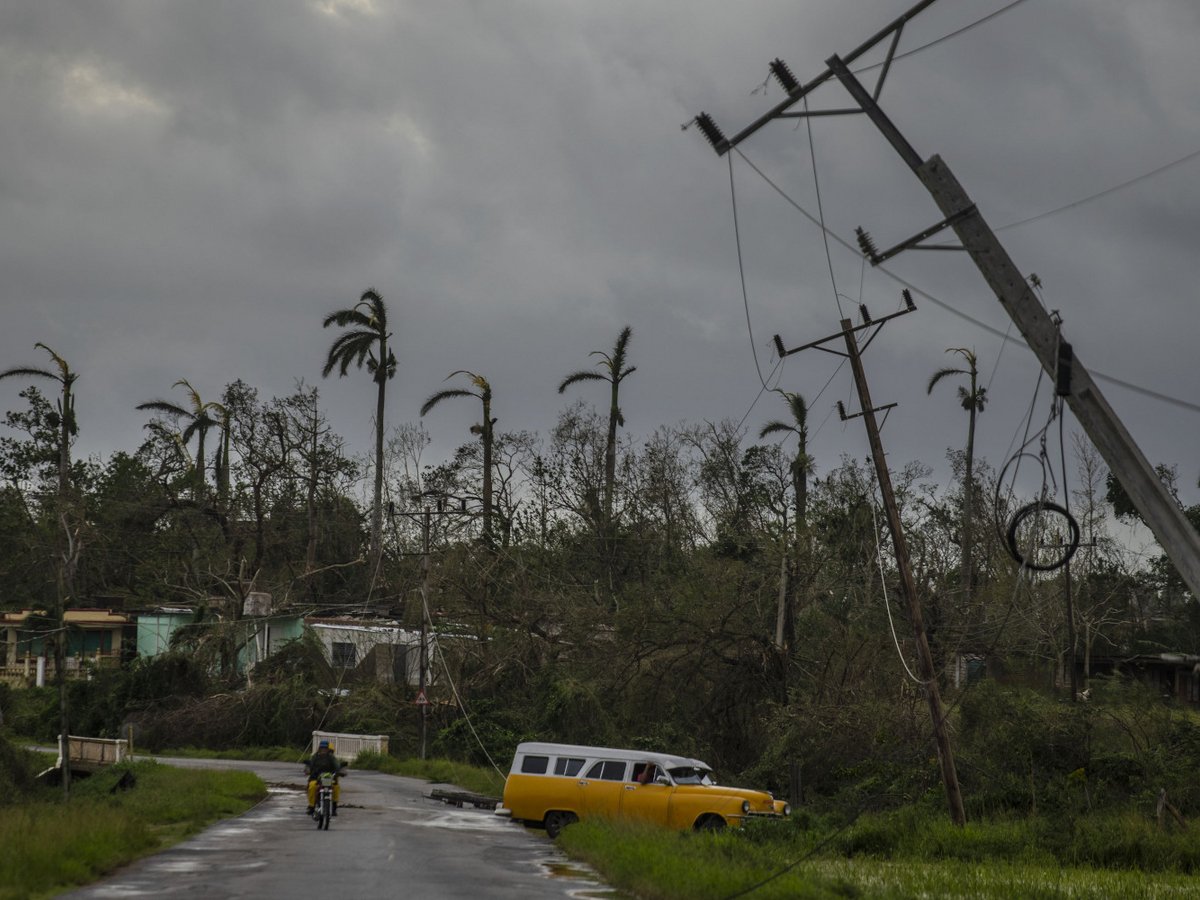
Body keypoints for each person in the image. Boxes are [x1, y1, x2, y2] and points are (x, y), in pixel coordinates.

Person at [305, 740, 344, 816]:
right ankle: (311, 806)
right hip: (316, 779)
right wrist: (308, 769)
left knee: (336, 787)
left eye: (325, 748)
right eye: (322, 748)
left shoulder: (331, 758)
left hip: (329, 779)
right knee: (312, 786)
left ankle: (334, 806)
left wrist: (340, 771)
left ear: (328, 749)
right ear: (319, 748)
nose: (323, 750)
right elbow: (310, 766)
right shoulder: (315, 757)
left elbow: (337, 766)